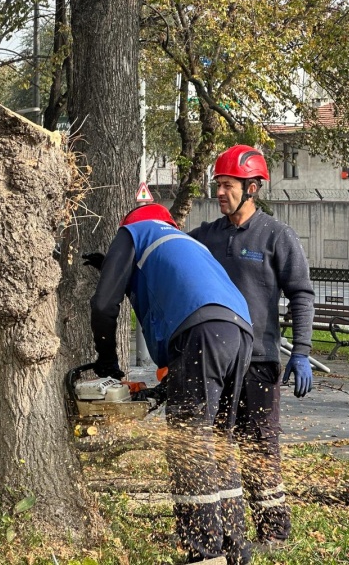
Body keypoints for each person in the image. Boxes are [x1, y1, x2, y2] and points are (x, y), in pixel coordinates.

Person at [86, 203, 255, 564]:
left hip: (200, 331)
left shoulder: (134, 231)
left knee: (188, 443)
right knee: (217, 442)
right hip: (239, 331)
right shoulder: (185, 243)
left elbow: (103, 305)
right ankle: (234, 548)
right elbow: (176, 284)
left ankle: (203, 552)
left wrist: (106, 362)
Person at [189, 144, 315, 548]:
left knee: (260, 445)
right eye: (218, 185)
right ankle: (230, 528)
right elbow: (171, 252)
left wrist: (300, 350)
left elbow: (301, 294)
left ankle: (274, 530)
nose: (220, 193)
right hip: (219, 361)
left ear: (253, 187)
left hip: (259, 360)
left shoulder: (277, 235)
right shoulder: (208, 236)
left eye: (228, 185)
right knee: (222, 446)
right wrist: (122, 258)